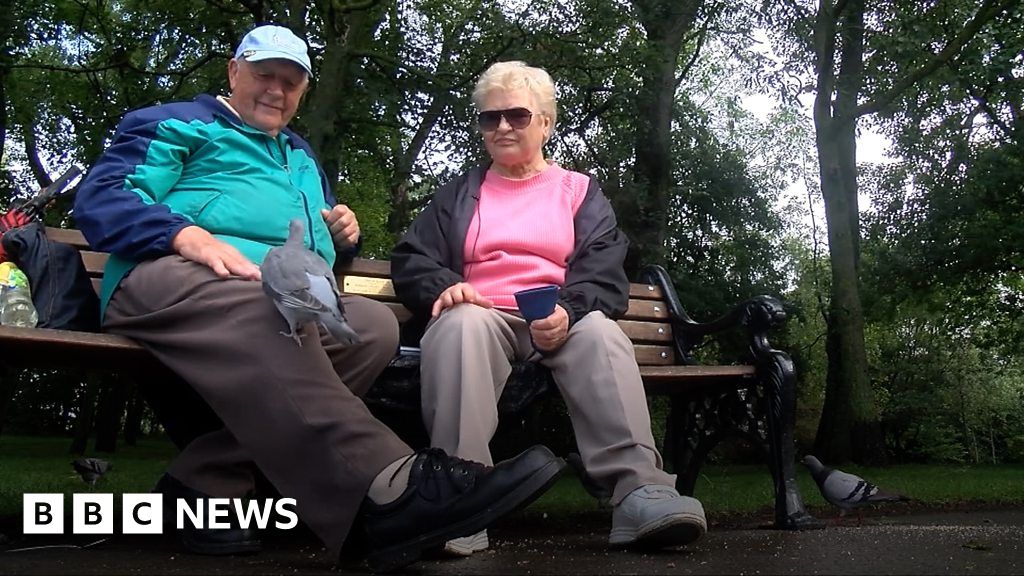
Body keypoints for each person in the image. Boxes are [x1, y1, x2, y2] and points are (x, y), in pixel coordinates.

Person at [73, 27, 565, 571]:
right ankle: (391, 487)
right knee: (272, 306)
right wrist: (185, 235)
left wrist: (343, 234)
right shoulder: (177, 123)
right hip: (170, 275)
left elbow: (311, 246)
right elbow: (105, 198)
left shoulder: (299, 156)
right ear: (235, 72)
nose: (277, 92)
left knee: (372, 326)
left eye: (291, 82)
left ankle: (204, 478)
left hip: (276, 289)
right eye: (265, 76)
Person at [391, 61, 708, 556]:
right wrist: (446, 286)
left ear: (546, 122)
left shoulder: (579, 191)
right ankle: (460, 502)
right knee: (460, 326)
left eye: (516, 115)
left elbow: (604, 269)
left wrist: (568, 311)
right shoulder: (459, 193)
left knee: (602, 335)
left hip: (559, 316)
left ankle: (640, 492)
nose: (501, 127)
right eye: (489, 118)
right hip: (482, 314)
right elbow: (412, 258)